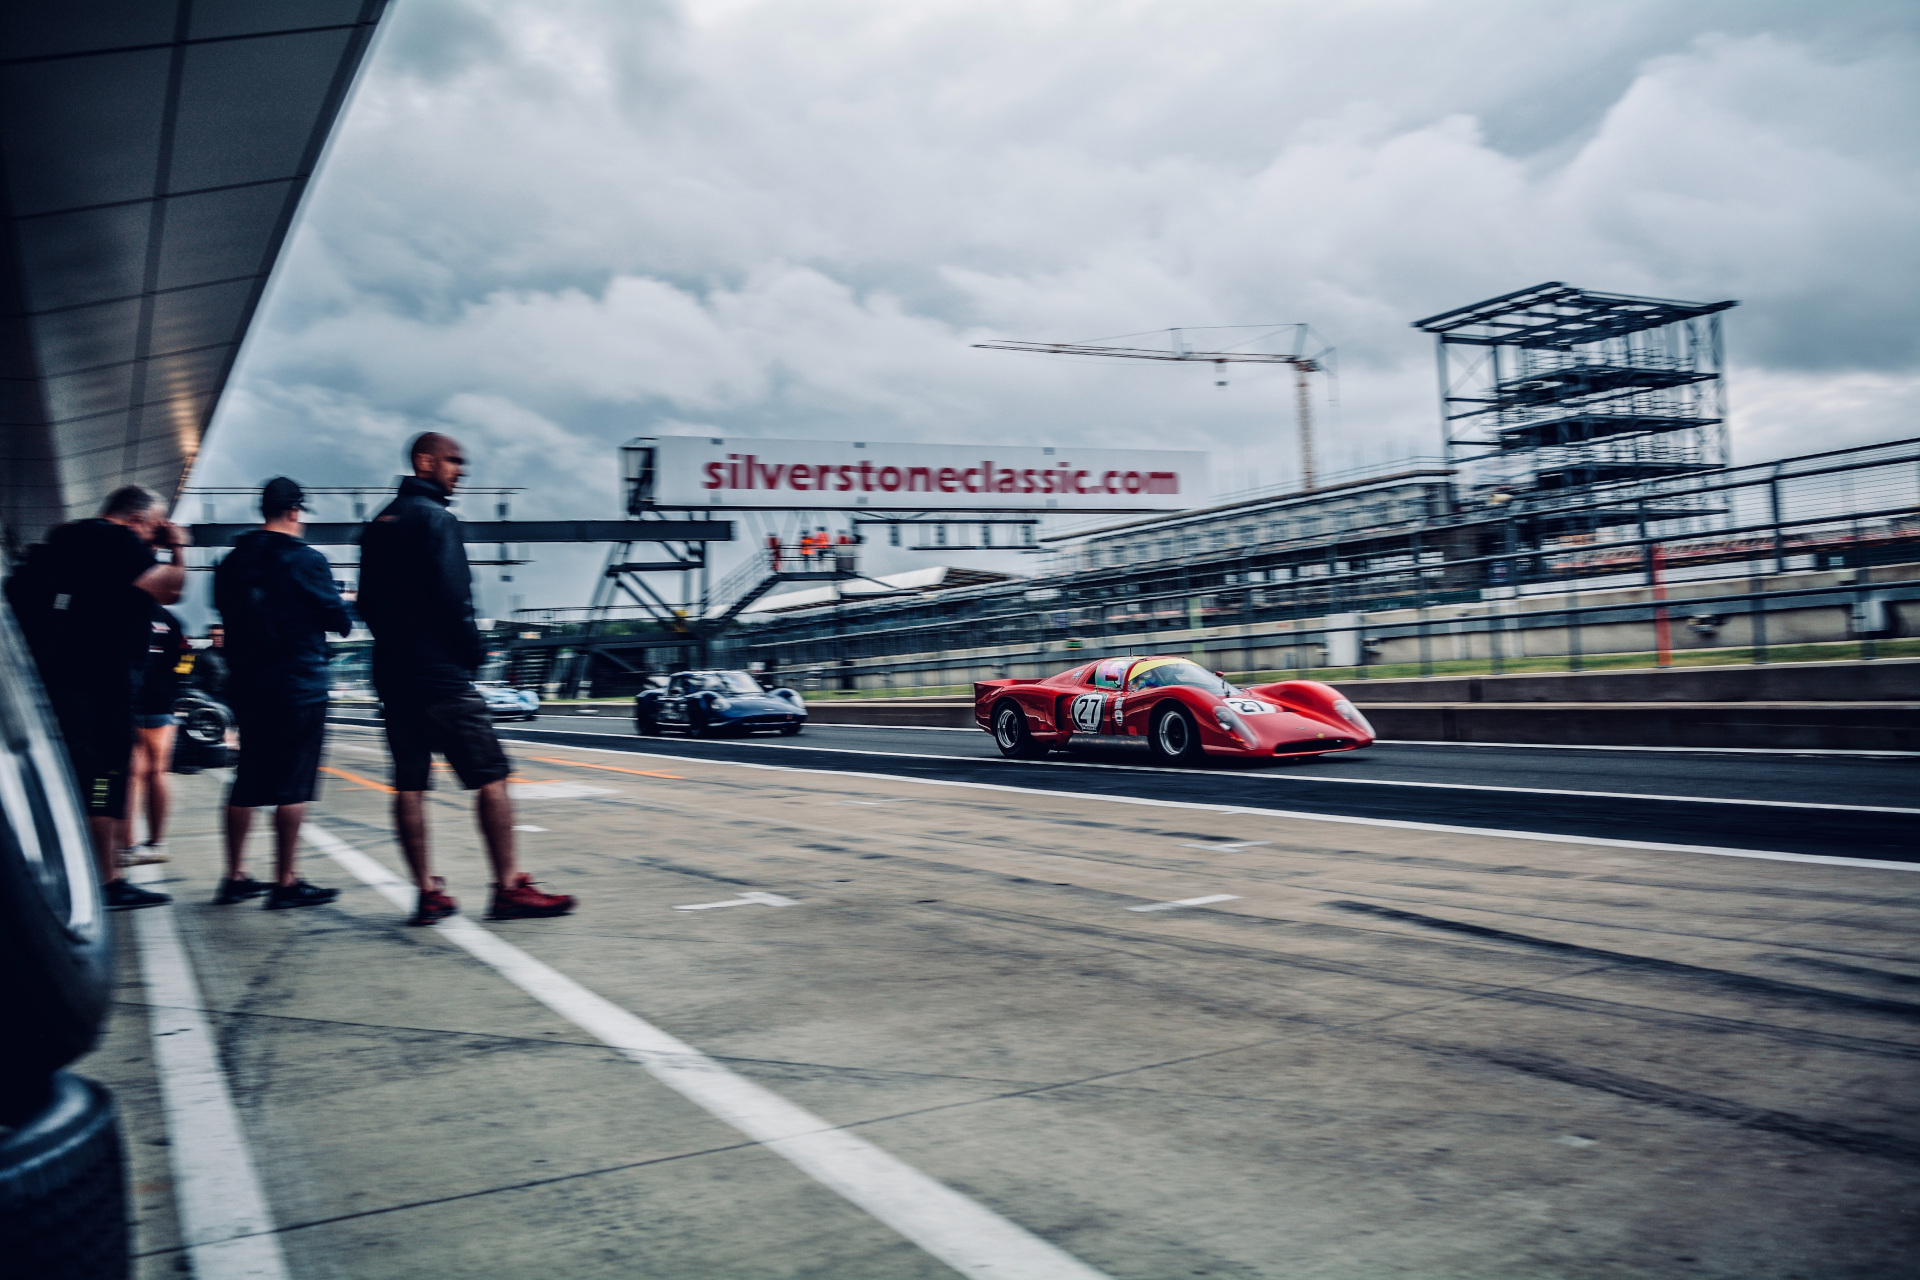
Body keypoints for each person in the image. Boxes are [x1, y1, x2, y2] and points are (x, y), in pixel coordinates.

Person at [357, 433, 574, 926]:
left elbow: (366, 604)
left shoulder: (376, 527)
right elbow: (455, 599)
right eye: (453, 460)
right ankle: (508, 887)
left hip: (392, 673)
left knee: (409, 784)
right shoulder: (437, 520)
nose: (461, 470)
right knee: (492, 776)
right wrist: (469, 656)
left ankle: (427, 891)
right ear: (424, 461)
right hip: (439, 675)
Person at [33, 487, 185, 909]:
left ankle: (85, 872)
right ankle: (106, 880)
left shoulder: (64, 538)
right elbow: (171, 590)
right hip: (103, 684)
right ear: (138, 520)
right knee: (102, 782)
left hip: (62, 681)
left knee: (82, 778)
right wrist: (177, 549)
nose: (152, 539)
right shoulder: (119, 541)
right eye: (154, 528)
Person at [212, 477, 350, 909]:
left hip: (249, 686)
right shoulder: (306, 559)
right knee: (293, 785)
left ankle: (235, 876)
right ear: (295, 511)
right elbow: (337, 619)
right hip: (298, 684)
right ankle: (285, 881)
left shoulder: (231, 562)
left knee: (247, 780)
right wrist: (340, 601)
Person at [123, 600, 188, 867]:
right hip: (161, 703)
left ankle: (129, 845)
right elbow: (185, 659)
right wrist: (173, 688)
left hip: (127, 701)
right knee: (159, 771)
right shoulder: (169, 619)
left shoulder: (121, 612)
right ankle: (157, 842)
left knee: (133, 774)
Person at [192, 623, 230, 699]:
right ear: (210, 637)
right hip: (211, 695)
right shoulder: (203, 655)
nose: (217, 638)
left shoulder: (234, 654)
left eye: (221, 636)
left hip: (230, 694)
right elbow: (195, 676)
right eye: (214, 636)